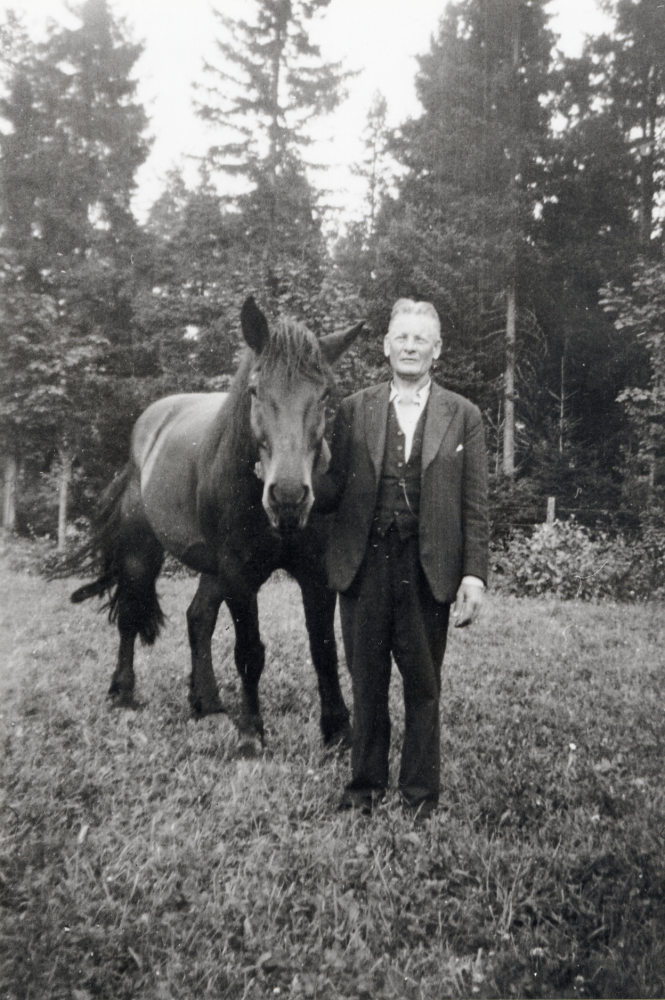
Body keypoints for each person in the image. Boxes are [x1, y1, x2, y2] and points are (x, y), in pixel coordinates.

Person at [315, 298, 489, 818]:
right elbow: (329, 491)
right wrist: (283, 472)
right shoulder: (352, 409)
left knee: (423, 684)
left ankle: (418, 796)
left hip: (427, 569)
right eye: (402, 338)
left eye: (421, 339)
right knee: (367, 682)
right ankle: (364, 788)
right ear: (386, 347)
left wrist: (474, 575)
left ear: (436, 351)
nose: (410, 346)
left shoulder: (465, 416)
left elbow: (475, 504)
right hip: (363, 566)